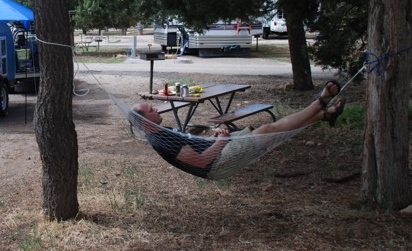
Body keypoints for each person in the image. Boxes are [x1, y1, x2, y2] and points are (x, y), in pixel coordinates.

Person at [132, 81, 346, 179]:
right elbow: (201, 163)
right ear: (145, 122)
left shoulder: (162, 132)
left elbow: (194, 147)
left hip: (218, 150)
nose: (155, 108)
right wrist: (220, 142)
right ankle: (320, 103)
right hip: (218, 165)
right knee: (267, 130)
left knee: (270, 131)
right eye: (151, 109)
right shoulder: (161, 141)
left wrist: (215, 136)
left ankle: (323, 114)